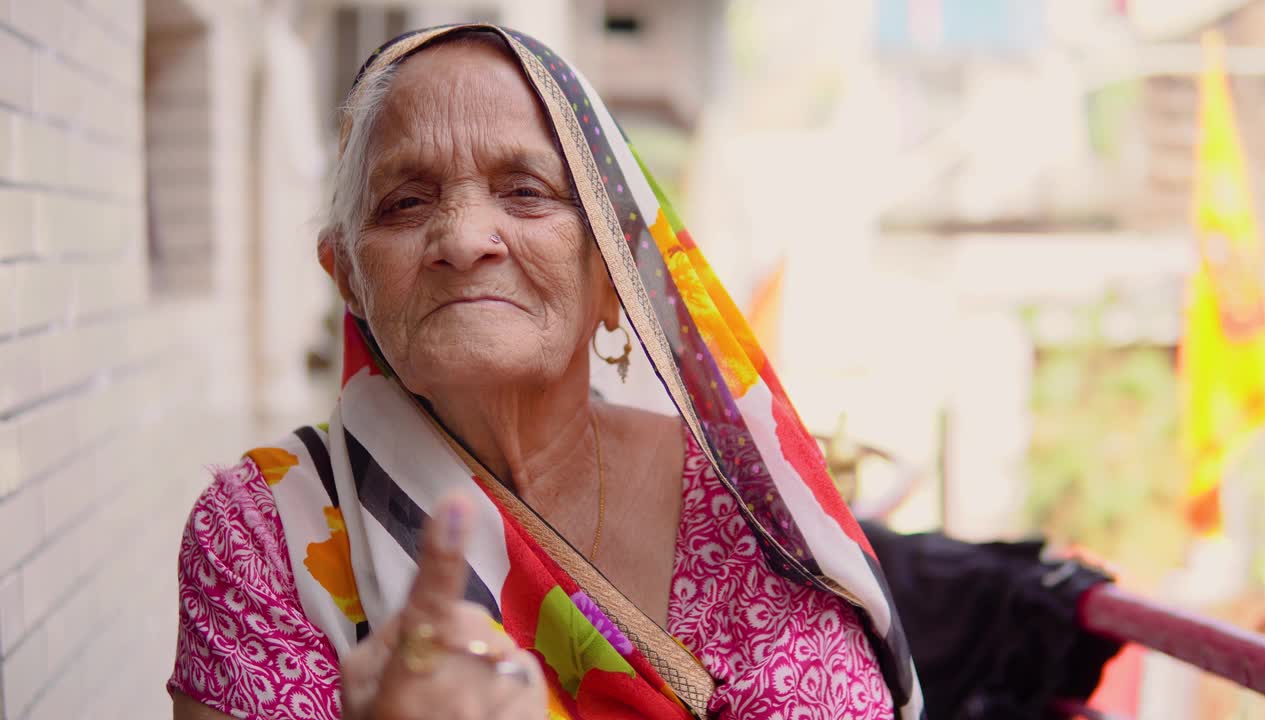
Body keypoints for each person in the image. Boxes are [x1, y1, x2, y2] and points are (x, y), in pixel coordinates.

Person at [168, 24, 925, 719]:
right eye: (405, 202)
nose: (463, 239)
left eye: (525, 192)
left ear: (611, 278)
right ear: (348, 281)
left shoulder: (748, 510)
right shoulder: (267, 533)